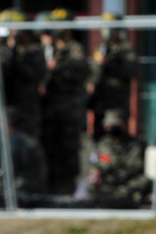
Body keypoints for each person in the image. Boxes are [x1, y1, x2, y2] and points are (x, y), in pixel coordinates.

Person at [38, 7, 89, 195]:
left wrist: (55, 68)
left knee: (69, 148)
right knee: (50, 146)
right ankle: (51, 185)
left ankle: (68, 187)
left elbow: (77, 71)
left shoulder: (75, 49)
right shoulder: (48, 48)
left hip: (68, 109)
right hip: (49, 109)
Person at [88, 108, 151, 204]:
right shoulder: (103, 144)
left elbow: (134, 166)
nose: (111, 128)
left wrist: (114, 163)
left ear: (123, 125)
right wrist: (96, 171)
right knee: (90, 185)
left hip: (128, 181)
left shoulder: (134, 144)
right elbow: (100, 162)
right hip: (110, 181)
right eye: (109, 126)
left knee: (144, 182)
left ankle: (124, 197)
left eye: (114, 126)